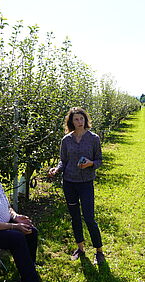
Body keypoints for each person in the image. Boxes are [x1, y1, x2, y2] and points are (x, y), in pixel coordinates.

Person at [48, 107, 105, 265]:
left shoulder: (93, 138)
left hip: (86, 183)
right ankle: (80, 248)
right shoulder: (66, 140)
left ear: (86, 120)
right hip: (69, 183)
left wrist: (90, 163)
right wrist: (57, 169)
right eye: (76, 119)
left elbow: (99, 160)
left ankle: (99, 251)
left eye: (82, 119)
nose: (79, 122)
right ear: (71, 122)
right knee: (75, 217)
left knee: (89, 217)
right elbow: (63, 161)